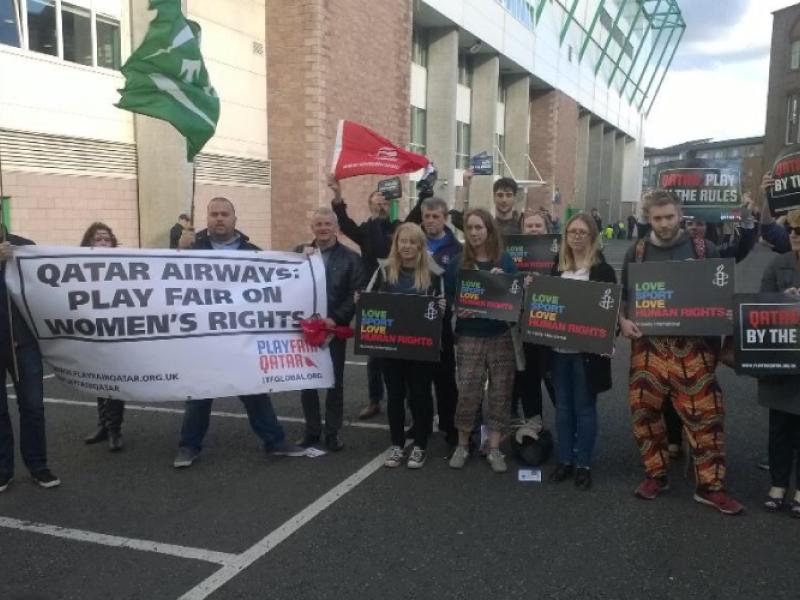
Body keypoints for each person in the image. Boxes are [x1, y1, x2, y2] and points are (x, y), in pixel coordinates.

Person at [618, 190, 743, 515]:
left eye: (669, 217)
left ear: (680, 214)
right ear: (648, 218)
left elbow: (722, 296)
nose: (664, 224)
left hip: (694, 347)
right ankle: (656, 475)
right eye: (657, 218)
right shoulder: (638, 251)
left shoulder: (704, 250)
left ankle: (710, 486)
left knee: (707, 415)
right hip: (649, 346)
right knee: (644, 413)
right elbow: (624, 297)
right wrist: (624, 320)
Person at [173, 197, 304, 468]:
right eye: (214, 214)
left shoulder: (252, 251)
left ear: (235, 219)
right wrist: (178, 251)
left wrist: (305, 260)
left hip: (241, 337)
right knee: (199, 394)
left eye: (224, 214)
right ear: (207, 219)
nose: (219, 218)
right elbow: (170, 282)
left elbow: (276, 284)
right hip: (205, 338)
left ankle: (275, 442)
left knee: (254, 391)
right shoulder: (192, 249)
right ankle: (188, 446)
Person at [364, 223, 446, 469]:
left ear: (420, 246)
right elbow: (368, 300)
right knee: (395, 397)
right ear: (396, 244)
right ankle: (397, 444)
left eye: (412, 242)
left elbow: (440, 307)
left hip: (420, 349)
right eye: (403, 241)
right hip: (391, 349)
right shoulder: (383, 270)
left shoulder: (433, 274)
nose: (407, 246)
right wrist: (362, 301)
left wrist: (443, 309)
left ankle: (420, 445)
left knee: (420, 396)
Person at [446, 209, 518, 473]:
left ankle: (495, 447)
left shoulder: (505, 261)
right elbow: (450, 296)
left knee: (500, 392)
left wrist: (503, 283)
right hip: (469, 335)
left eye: (479, 227)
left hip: (500, 335)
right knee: (467, 391)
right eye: (470, 228)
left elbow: (516, 295)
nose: (474, 233)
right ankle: (463, 444)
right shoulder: (457, 263)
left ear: (489, 230)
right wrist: (457, 308)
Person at [547, 214, 616, 491]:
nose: (576, 236)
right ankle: (565, 459)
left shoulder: (603, 271)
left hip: (588, 352)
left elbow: (610, 312)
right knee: (563, 408)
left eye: (582, 232)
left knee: (585, 408)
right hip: (558, 350)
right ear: (565, 236)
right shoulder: (556, 267)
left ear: (592, 237)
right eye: (572, 232)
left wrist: (608, 339)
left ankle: (583, 463)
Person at [294, 207, 363, 452]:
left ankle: (332, 433)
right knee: (307, 382)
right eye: (318, 224)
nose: (323, 228)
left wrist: (336, 318)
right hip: (306, 330)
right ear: (312, 228)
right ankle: (312, 431)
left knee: (334, 382)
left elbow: (354, 294)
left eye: (327, 224)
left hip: (333, 330)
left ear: (336, 228)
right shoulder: (299, 253)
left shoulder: (351, 258)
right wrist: (301, 259)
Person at [329, 176, 396, 421]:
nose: (381, 206)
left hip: (397, 297)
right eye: (376, 202)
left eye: (385, 203)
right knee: (375, 354)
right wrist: (338, 196)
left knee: (402, 351)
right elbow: (344, 224)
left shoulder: (399, 228)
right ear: (369, 206)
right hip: (372, 298)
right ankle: (375, 399)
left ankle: (404, 400)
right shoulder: (365, 231)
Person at [0, 231, 60, 492]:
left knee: (33, 408)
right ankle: (3, 469)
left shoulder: (24, 247)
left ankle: (38, 466)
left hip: (23, 344)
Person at [404, 196, 462, 445]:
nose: (430, 221)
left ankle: (450, 425)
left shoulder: (456, 249)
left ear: (445, 218)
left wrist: (448, 305)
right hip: (414, 321)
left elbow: (459, 286)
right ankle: (421, 424)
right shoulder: (412, 244)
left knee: (445, 378)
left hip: (442, 322)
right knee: (417, 380)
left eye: (435, 216)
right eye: (426, 216)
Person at [759, 211, 800, 517]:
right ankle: (777, 483)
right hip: (782, 354)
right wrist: (783, 300)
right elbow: (758, 305)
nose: (795, 234)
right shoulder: (778, 263)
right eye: (792, 229)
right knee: (780, 425)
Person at [80, 223, 126, 452]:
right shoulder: (79, 267)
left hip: (117, 331)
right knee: (99, 379)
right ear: (89, 243)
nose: (103, 242)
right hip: (93, 332)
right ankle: (103, 425)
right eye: (97, 239)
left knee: (115, 380)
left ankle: (115, 429)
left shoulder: (123, 266)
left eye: (107, 239)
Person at [512, 210, 556, 429]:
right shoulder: (512, 254)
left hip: (553, 324)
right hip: (523, 325)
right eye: (529, 226)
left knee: (554, 377)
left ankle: (566, 423)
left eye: (538, 225)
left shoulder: (559, 254)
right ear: (522, 230)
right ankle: (533, 423)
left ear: (547, 229)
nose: (534, 229)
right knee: (528, 376)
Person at [451, 170, 522, 238]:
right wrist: (465, 185)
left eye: (508, 195)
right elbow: (456, 218)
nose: (504, 200)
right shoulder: (485, 224)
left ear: (514, 198)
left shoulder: (522, 226)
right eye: (500, 195)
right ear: (494, 197)